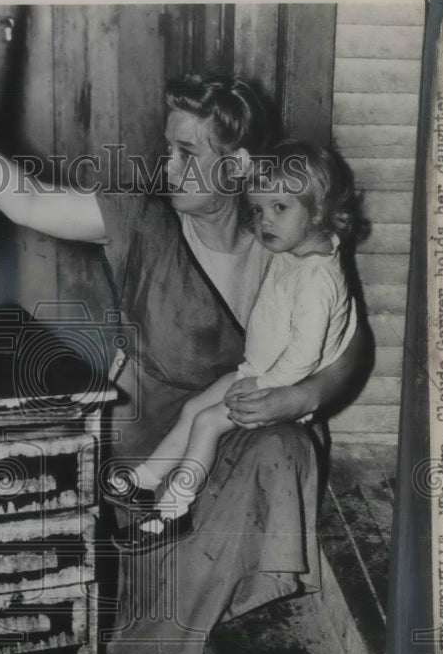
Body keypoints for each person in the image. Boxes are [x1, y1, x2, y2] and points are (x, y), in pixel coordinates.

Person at [0, 75, 367, 654]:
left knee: (285, 447)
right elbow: (29, 201)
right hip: (147, 439)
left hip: (245, 424)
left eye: (186, 153)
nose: (166, 165)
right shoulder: (142, 218)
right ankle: (166, 611)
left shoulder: (286, 225)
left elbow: (352, 345)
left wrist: (302, 397)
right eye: (166, 148)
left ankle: (214, 609)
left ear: (239, 165)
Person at [106, 140, 359, 551]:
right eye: (258, 210)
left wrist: (267, 387)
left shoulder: (318, 278)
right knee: (193, 409)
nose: (264, 222)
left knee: (207, 424)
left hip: (276, 388)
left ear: (316, 211)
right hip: (254, 373)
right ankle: (145, 480)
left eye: (280, 208)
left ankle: (173, 512)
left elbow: (306, 354)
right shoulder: (296, 250)